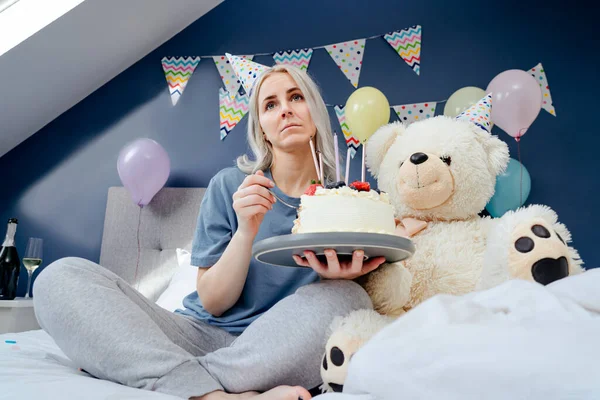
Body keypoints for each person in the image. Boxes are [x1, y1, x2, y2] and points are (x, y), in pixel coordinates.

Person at [33, 63, 386, 400]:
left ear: (315, 111)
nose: (285, 110)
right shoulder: (231, 186)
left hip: (275, 350)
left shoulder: (348, 200)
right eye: (270, 104)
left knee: (350, 302)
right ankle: (214, 391)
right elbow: (215, 304)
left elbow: (322, 309)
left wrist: (338, 281)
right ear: (261, 126)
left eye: (296, 98)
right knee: (59, 277)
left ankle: (156, 372)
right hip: (193, 335)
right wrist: (246, 230)